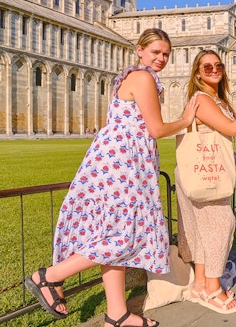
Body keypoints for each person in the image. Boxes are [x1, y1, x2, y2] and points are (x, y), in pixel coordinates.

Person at [24, 29, 198, 327]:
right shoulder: (142, 78)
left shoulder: (136, 77)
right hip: (122, 166)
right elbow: (155, 129)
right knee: (123, 236)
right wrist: (186, 119)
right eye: (155, 51)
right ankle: (48, 277)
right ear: (139, 50)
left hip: (123, 163)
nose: (161, 58)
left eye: (166, 54)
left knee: (116, 233)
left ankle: (117, 314)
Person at [179, 49, 236, 314]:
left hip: (208, 169)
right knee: (220, 226)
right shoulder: (203, 99)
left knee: (205, 230)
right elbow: (231, 129)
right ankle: (213, 289)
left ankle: (200, 286)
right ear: (197, 73)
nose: (215, 69)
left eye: (218, 65)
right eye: (207, 67)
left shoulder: (216, 99)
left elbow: (220, 135)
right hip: (204, 172)